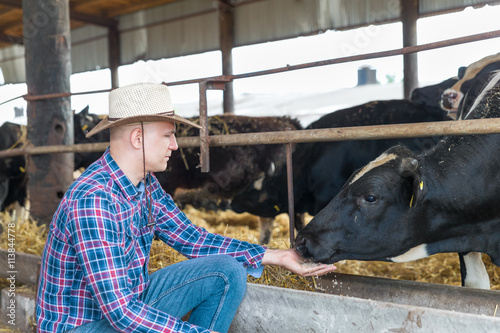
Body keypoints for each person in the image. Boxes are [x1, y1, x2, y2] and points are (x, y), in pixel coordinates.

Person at [36, 82, 336, 333]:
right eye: (168, 135)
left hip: (126, 305)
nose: (175, 145)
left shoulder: (146, 184)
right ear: (137, 138)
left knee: (227, 271)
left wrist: (278, 256)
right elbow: (121, 313)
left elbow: (193, 239)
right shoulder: (94, 200)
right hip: (84, 326)